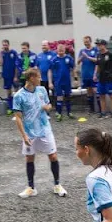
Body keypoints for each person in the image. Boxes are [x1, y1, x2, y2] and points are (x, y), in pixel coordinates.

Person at [13, 68, 68, 199]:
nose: (40, 79)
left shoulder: (42, 90)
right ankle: (31, 188)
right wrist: (24, 136)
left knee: (53, 156)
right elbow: (18, 118)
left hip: (44, 129)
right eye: (38, 77)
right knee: (29, 158)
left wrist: (47, 107)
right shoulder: (19, 96)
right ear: (31, 78)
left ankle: (57, 185)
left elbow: (49, 106)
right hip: (29, 132)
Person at [94, 39, 112, 119]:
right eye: (98, 45)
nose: (99, 46)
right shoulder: (99, 55)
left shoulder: (110, 54)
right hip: (101, 79)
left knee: (111, 95)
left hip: (109, 78)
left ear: (104, 45)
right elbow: (97, 65)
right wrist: (95, 75)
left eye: (100, 45)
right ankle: (103, 113)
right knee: (101, 96)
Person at [50, 44, 77, 122]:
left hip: (67, 81)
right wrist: (50, 82)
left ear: (65, 50)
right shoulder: (54, 59)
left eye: (62, 50)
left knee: (68, 96)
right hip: (58, 82)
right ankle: (59, 114)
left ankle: (69, 113)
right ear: (57, 51)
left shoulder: (68, 58)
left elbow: (73, 68)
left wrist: (75, 79)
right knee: (59, 97)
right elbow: (50, 70)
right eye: (59, 50)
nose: (61, 52)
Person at [78, 36, 100, 114]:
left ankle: (100, 110)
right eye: (85, 41)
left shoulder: (95, 50)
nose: (86, 43)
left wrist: (88, 57)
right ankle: (92, 109)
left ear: (90, 41)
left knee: (96, 90)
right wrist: (82, 57)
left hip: (93, 74)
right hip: (85, 74)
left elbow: (97, 60)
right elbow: (78, 62)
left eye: (87, 41)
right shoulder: (82, 51)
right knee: (89, 91)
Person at [0, 39, 19, 114]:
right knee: (8, 92)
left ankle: (17, 108)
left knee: (16, 92)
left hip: (14, 75)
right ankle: (10, 108)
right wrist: (0, 54)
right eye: (3, 45)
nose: (4, 46)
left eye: (6, 45)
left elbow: (17, 65)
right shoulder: (2, 53)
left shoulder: (14, 52)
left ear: (8, 45)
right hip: (6, 75)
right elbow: (0, 63)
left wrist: (16, 76)